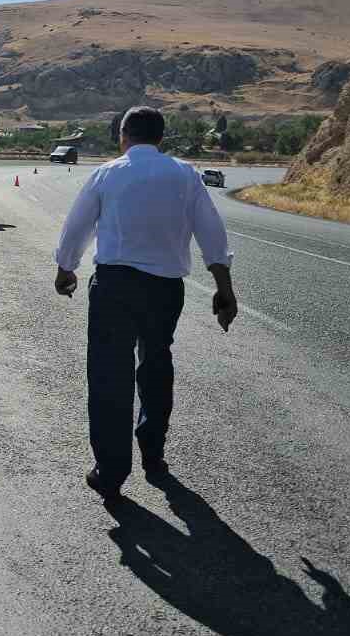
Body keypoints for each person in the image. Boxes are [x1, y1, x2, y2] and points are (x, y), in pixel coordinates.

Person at [53, 106, 238, 500]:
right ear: (161, 137)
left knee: (109, 374)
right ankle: (153, 453)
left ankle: (111, 471)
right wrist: (224, 288)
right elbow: (211, 231)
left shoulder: (107, 173)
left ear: (124, 135)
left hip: (115, 287)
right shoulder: (185, 174)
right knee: (156, 364)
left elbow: (77, 227)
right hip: (165, 289)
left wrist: (66, 269)